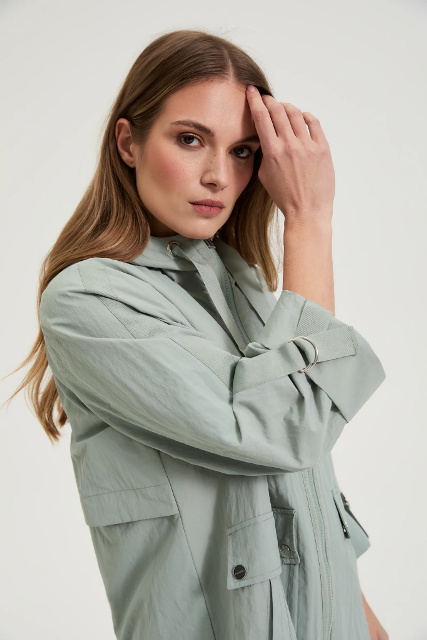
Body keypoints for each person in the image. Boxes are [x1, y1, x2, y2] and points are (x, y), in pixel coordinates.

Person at [7, 29, 389, 640]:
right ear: (128, 142)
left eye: (242, 151)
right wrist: (309, 219)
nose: (217, 175)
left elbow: (304, 492)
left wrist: (369, 627)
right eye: (190, 139)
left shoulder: (243, 285)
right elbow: (286, 426)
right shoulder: (87, 302)